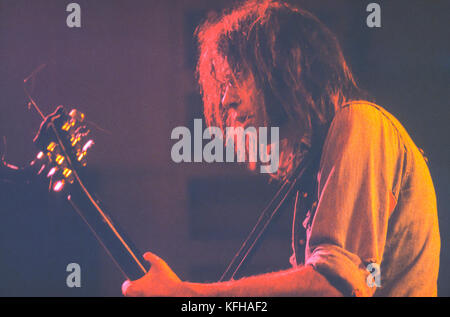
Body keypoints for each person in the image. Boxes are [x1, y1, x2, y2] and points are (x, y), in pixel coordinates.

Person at [122, 0, 440, 296]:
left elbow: (331, 287)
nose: (225, 99)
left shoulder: (360, 122)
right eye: (223, 85)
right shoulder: (312, 176)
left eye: (236, 78)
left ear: (282, 70)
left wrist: (187, 294)